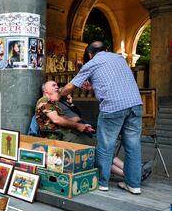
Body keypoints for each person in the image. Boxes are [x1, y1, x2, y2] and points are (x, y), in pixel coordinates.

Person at [60, 41, 149, 194]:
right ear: (106, 50)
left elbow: (70, 87)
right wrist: (93, 85)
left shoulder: (91, 63)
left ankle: (103, 183)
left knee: (105, 146)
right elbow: (113, 80)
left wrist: (60, 95)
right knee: (133, 146)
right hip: (135, 104)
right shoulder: (119, 58)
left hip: (113, 107)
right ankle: (134, 185)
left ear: (90, 54)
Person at [37, 81, 128, 178]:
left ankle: (128, 172)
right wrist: (77, 126)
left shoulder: (54, 104)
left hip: (68, 133)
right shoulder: (44, 101)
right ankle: (128, 174)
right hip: (59, 137)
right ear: (45, 90)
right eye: (53, 85)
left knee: (99, 147)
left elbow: (66, 119)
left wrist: (82, 126)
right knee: (96, 151)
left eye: (56, 85)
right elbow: (57, 120)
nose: (56, 87)